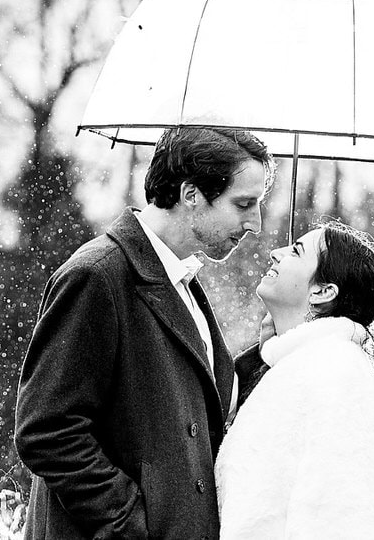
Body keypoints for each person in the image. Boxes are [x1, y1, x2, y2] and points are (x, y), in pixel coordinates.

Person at [15, 125, 270, 540]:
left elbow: (196, 406)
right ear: (191, 194)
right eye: (243, 204)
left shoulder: (182, 280)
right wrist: (128, 522)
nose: (255, 223)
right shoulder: (97, 276)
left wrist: (273, 350)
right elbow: (46, 429)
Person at [216, 222, 374, 540]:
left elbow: (338, 519)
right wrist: (262, 356)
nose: (275, 253)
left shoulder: (333, 371)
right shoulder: (298, 366)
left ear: (323, 291)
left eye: (296, 251)